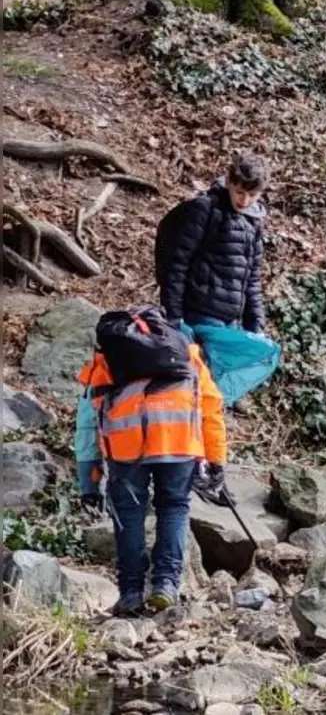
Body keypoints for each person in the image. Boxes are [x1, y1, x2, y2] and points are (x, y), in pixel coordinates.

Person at [75, 306, 228, 616]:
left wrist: (87, 481)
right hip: (179, 439)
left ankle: (131, 593)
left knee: (129, 515)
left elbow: (87, 424)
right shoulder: (187, 353)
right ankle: (166, 585)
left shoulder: (106, 361)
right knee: (173, 506)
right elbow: (210, 408)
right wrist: (216, 459)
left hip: (125, 444)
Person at [155, 152, 270, 339]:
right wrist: (174, 316)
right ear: (229, 183)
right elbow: (176, 265)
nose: (245, 201)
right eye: (240, 192)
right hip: (197, 315)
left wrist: (255, 327)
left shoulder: (253, 222)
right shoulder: (205, 210)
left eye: (252, 195)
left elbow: (252, 279)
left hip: (231, 321)